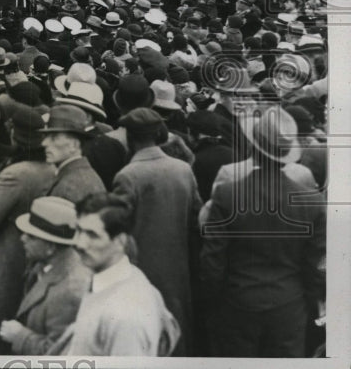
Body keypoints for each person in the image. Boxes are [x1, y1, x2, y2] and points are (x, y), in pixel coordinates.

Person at [200, 105, 326, 357]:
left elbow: (212, 261)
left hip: (238, 305)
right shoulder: (310, 201)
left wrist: (213, 304)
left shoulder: (227, 195)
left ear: (254, 147)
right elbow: (315, 265)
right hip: (289, 307)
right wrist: (307, 303)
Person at [112, 107, 201, 354]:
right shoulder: (182, 169)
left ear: (130, 137)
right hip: (178, 269)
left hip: (140, 271)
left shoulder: (127, 176)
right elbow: (197, 220)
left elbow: (116, 226)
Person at [52, 192, 181, 356]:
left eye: (92, 235)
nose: (79, 243)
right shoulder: (118, 277)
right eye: (79, 230)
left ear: (120, 241)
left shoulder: (126, 315)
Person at [0, 103, 55, 354]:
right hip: (39, 253)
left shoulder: (15, 173)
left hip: (8, 255)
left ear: (14, 134)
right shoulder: (52, 170)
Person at [0, 196, 92, 355]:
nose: (22, 238)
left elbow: (61, 354)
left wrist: (21, 337)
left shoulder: (70, 291)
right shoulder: (45, 263)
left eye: (31, 236)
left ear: (50, 246)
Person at [38, 104, 104, 203]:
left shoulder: (70, 188)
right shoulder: (81, 175)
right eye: (46, 136)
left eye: (54, 138)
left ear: (74, 145)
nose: (44, 143)